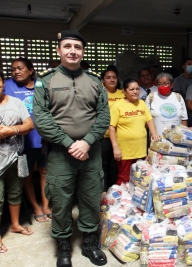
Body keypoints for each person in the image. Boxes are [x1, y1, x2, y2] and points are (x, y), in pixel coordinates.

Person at [33, 30, 109, 267]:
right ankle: (63, 248)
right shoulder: (46, 81)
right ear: (58, 50)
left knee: (90, 199)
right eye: (67, 46)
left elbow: (104, 115)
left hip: (92, 152)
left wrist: (86, 142)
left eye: (77, 47)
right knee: (61, 200)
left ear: (82, 51)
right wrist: (69, 143)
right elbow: (42, 118)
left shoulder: (95, 81)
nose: (73, 51)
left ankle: (89, 245)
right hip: (60, 153)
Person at [4, 57, 51, 223]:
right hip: (21, 141)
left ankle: (46, 205)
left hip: (44, 138)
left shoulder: (41, 85)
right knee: (27, 175)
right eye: (13, 69)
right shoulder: (7, 85)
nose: (16, 71)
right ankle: (36, 207)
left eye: (20, 68)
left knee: (45, 171)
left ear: (30, 70)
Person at [0, 70, 35, 253]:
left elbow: (29, 125)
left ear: (2, 83)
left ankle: (15, 224)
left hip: (15, 156)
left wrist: (11, 130)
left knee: (15, 193)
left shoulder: (16, 103)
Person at [109, 79, 160, 185]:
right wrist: (115, 148)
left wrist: (154, 133)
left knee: (140, 178)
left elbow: (149, 120)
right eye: (131, 89)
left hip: (140, 150)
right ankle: (121, 200)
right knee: (124, 178)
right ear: (124, 91)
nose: (135, 91)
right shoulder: (118, 105)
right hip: (125, 151)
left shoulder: (141, 103)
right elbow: (111, 127)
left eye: (137, 89)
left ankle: (134, 200)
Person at [100, 68, 125, 191]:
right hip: (103, 136)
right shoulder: (99, 94)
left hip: (120, 136)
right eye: (108, 77)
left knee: (116, 166)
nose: (112, 79)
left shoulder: (123, 94)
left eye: (114, 77)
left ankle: (117, 191)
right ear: (102, 80)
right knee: (103, 165)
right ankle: (104, 192)